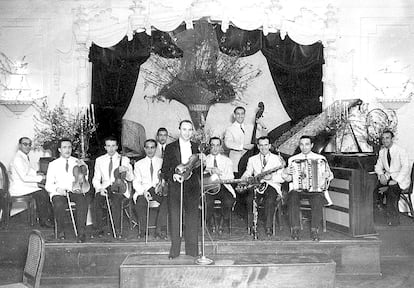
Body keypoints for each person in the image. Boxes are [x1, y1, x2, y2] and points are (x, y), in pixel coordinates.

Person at [161, 120, 200, 259]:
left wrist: (203, 162)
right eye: (184, 129)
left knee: (192, 217)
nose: (187, 133)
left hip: (192, 186)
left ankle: (192, 250)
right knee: (175, 217)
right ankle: (175, 249)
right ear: (179, 130)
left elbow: (200, 169)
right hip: (176, 185)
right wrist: (173, 175)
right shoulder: (171, 147)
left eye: (190, 130)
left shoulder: (197, 147)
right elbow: (164, 170)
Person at [283, 135, 333, 241]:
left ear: (311, 145)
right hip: (298, 189)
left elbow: (330, 175)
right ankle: (295, 229)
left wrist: (327, 175)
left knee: (318, 199)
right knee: (292, 197)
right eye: (301, 144)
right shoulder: (293, 159)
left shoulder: (320, 159)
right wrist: (285, 173)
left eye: (307, 144)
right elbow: (288, 179)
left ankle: (315, 230)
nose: (304, 147)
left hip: (315, 189)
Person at [45, 138, 92, 242]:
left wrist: (84, 169)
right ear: (59, 149)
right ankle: (60, 231)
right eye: (64, 147)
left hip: (74, 191)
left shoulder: (77, 162)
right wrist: (57, 189)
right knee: (59, 204)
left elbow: (84, 179)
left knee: (83, 201)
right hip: (59, 192)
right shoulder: (53, 164)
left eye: (69, 147)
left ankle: (81, 233)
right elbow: (48, 185)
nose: (67, 150)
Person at [241, 136, 285, 237]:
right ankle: (252, 225)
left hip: (272, 185)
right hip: (257, 185)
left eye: (266, 145)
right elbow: (247, 172)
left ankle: (268, 227)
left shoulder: (277, 159)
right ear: (258, 146)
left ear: (269, 146)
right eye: (261, 145)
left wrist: (272, 177)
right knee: (249, 199)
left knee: (270, 200)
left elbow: (282, 177)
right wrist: (244, 179)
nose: (263, 147)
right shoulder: (252, 159)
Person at [92, 136, 134, 237]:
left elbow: (131, 178)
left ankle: (117, 229)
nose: (111, 149)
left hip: (120, 188)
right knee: (97, 200)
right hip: (105, 187)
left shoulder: (124, 159)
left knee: (116, 199)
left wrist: (127, 170)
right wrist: (99, 189)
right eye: (108, 146)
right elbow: (96, 179)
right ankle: (99, 229)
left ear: (117, 147)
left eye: (113, 146)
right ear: (105, 147)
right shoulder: (99, 160)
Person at [9, 137, 53, 228]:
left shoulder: (23, 156)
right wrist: (41, 178)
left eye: (29, 145)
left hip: (24, 185)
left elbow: (28, 171)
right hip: (19, 187)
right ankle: (44, 221)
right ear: (19, 145)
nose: (28, 147)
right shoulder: (18, 159)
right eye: (25, 144)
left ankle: (47, 218)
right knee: (41, 193)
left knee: (44, 189)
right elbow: (24, 177)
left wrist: (38, 173)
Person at [132, 139, 167, 239]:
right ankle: (143, 230)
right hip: (145, 190)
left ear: (156, 148)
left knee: (167, 201)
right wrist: (143, 191)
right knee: (140, 203)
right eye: (147, 147)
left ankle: (160, 230)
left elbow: (165, 178)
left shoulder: (162, 162)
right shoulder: (139, 164)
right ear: (144, 149)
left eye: (152, 147)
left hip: (158, 190)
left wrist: (161, 185)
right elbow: (136, 181)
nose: (150, 150)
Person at [374, 130, 410, 226]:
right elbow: (377, 166)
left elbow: (406, 167)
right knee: (375, 190)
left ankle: (393, 220)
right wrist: (381, 175)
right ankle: (380, 217)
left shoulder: (400, 150)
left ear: (392, 139)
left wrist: (396, 180)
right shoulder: (382, 152)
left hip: (400, 180)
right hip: (388, 178)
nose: (385, 140)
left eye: (387, 138)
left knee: (391, 191)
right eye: (383, 138)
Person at [204, 137, 236, 235]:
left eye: (217, 145)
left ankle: (222, 222)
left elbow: (231, 177)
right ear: (209, 146)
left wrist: (219, 174)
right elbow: (200, 174)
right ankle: (212, 222)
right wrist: (210, 170)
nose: (215, 148)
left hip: (223, 186)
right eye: (212, 145)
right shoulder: (204, 159)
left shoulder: (227, 160)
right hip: (208, 188)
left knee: (228, 200)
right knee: (208, 202)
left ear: (220, 147)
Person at [224, 106, 268, 176]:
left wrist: (262, 125)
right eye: (238, 114)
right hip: (236, 161)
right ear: (234, 115)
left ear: (244, 115)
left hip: (249, 159)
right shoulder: (230, 129)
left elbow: (263, 138)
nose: (240, 116)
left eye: (242, 114)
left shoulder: (250, 127)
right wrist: (243, 146)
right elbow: (228, 143)